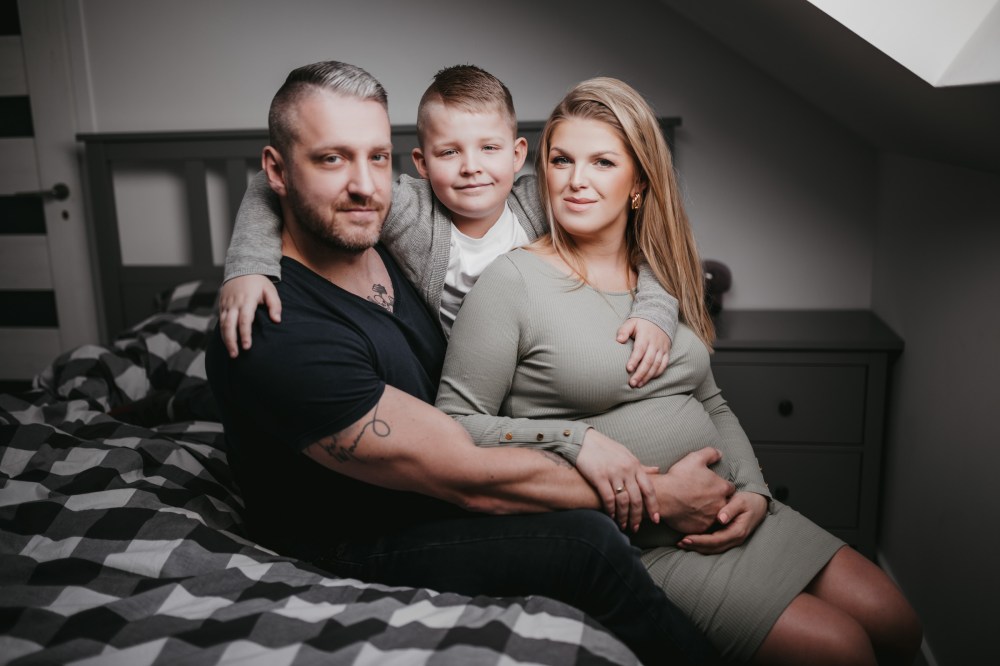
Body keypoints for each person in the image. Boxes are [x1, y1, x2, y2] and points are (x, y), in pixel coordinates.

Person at [205, 60, 731, 665]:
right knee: (586, 543)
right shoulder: (276, 326)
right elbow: (465, 473)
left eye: (377, 157)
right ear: (277, 170)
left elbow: (634, 236)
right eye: (330, 159)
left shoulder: (383, 236)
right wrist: (656, 494)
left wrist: (657, 312)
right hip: (359, 539)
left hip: (447, 461)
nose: (364, 185)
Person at [435, 77, 923, 665]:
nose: (575, 180)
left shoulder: (661, 279)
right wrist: (574, 437)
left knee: (898, 624)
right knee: (842, 649)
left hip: (734, 510)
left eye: (602, 162)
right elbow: (453, 427)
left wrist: (754, 492)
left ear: (639, 182)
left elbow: (711, 401)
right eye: (561, 160)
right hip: (646, 546)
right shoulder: (512, 282)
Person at [219, 64, 675, 390]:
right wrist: (248, 268)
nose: (471, 167)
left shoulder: (539, 204)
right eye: (449, 152)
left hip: (545, 373)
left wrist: (654, 309)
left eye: (489, 148)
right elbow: (269, 184)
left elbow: (640, 245)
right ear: (421, 163)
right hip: (466, 387)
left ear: (518, 154)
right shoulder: (408, 210)